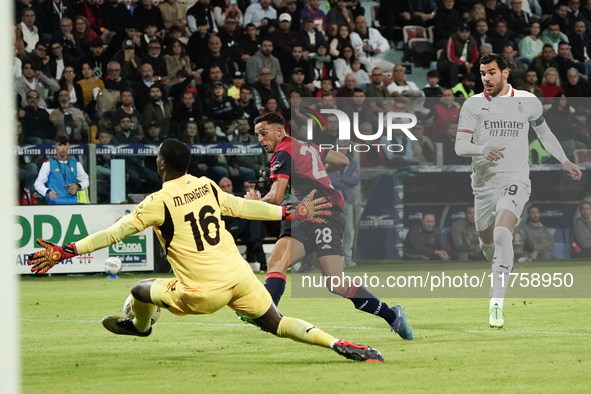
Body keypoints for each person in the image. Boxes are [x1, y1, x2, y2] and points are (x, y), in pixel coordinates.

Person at [26, 139, 383, 363]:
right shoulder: (206, 185)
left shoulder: (157, 201)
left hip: (202, 292)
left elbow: (113, 234)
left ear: (161, 165)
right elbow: (244, 207)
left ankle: (140, 327)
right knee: (277, 322)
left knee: (138, 289)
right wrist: (287, 211)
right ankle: (339, 344)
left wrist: (67, 250)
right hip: (240, 277)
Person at [246, 112, 414, 340]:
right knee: (277, 260)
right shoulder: (305, 145)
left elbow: (275, 198)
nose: (261, 139)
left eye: (264, 133)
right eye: (257, 135)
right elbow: (341, 161)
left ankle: (392, 315)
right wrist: (315, 175)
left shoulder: (283, 152)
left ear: (279, 131)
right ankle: (265, 314)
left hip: (325, 213)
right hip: (306, 213)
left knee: (335, 283)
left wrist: (251, 204)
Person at [455, 53, 581, 328]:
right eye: (482, 73)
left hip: (516, 179)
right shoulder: (473, 105)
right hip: (484, 186)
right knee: (489, 245)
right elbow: (460, 146)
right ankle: (501, 264)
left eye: (491, 72)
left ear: (505, 72)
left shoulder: (527, 101)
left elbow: (544, 134)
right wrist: (482, 149)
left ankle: (496, 305)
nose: (486, 78)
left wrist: (565, 160)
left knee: (503, 233)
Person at [34, 134, 89, 205]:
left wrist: (78, 187)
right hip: (55, 203)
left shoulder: (75, 163)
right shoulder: (48, 163)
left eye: (65, 145)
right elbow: (38, 183)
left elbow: (85, 180)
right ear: (56, 146)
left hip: (73, 203)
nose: (62, 148)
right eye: (60, 145)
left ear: (68, 145)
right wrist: (47, 192)